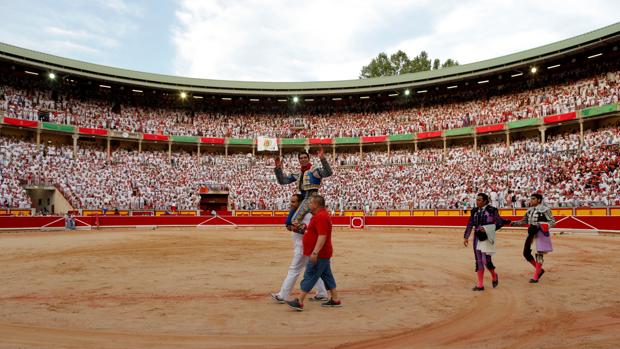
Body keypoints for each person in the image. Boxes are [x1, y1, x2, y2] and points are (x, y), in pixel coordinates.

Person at [286, 195, 341, 311]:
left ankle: (299, 301)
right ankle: (335, 299)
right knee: (327, 276)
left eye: (310, 203)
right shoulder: (320, 215)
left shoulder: (320, 217)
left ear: (316, 205)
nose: (309, 205)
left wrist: (315, 252)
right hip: (323, 252)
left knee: (310, 275)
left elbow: (322, 236)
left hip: (319, 253)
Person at [271, 194, 328, 304]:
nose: (291, 204)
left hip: (304, 247)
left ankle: (283, 295)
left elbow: (308, 231)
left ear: (301, 203)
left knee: (294, 269)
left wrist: (294, 228)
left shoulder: (306, 215)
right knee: (313, 270)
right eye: (291, 201)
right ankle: (322, 293)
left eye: (294, 202)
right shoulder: (300, 214)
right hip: (303, 246)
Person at [274, 149, 333, 233]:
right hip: (302, 198)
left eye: (305, 157)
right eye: (301, 158)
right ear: (299, 160)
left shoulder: (314, 171)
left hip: (311, 198)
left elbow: (328, 172)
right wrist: (278, 168)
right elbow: (283, 181)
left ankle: (310, 233)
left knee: (294, 221)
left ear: (308, 159)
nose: (303, 159)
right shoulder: (299, 174)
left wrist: (322, 159)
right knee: (288, 223)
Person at [463, 193, 509, 291]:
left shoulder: (492, 210)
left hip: (487, 237)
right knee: (478, 260)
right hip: (477, 237)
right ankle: (480, 285)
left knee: (486, 261)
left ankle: (494, 275)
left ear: (485, 201)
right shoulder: (474, 210)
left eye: (479, 200)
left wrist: (488, 229)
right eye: (477, 199)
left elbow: (500, 223)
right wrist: (466, 236)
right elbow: (470, 223)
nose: (477, 201)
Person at [510, 193, 556, 283]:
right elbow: (525, 220)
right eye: (531, 199)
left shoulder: (545, 209)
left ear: (539, 200)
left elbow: (552, 221)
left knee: (539, 253)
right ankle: (540, 270)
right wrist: (514, 223)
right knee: (526, 253)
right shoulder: (529, 210)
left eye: (533, 199)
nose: (531, 200)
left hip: (541, 233)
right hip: (531, 232)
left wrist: (545, 226)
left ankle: (536, 275)